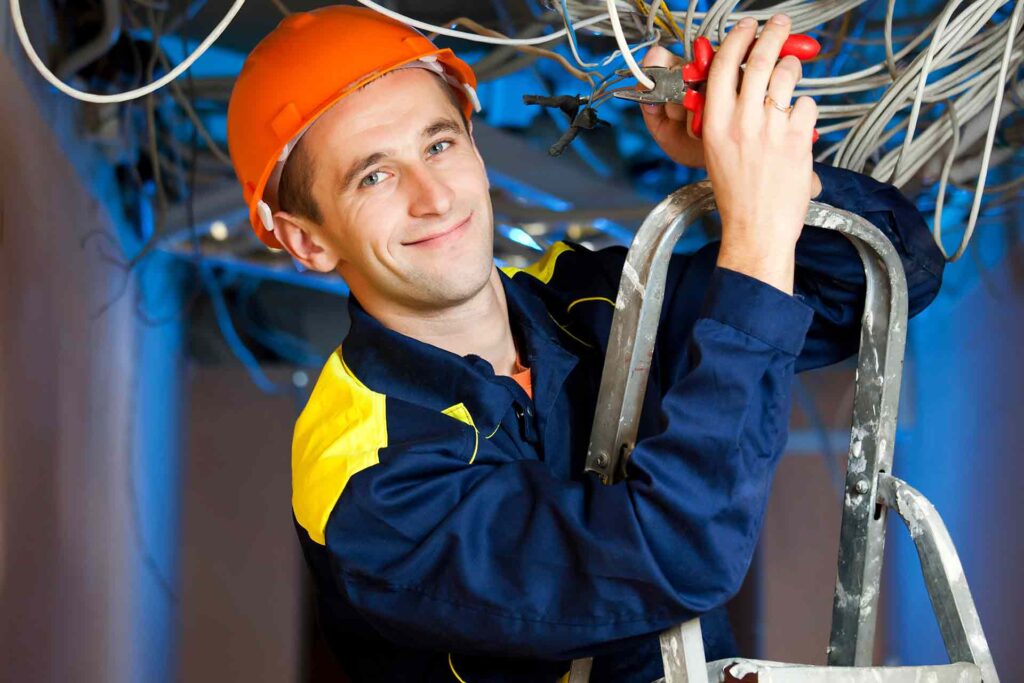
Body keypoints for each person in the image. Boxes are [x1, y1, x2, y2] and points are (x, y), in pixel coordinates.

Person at [226, 6, 943, 682]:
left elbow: (885, 283)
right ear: (304, 239)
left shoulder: (583, 297)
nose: (434, 197)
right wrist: (754, 234)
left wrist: (753, 177)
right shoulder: (364, 479)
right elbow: (674, 555)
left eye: (439, 144)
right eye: (374, 175)